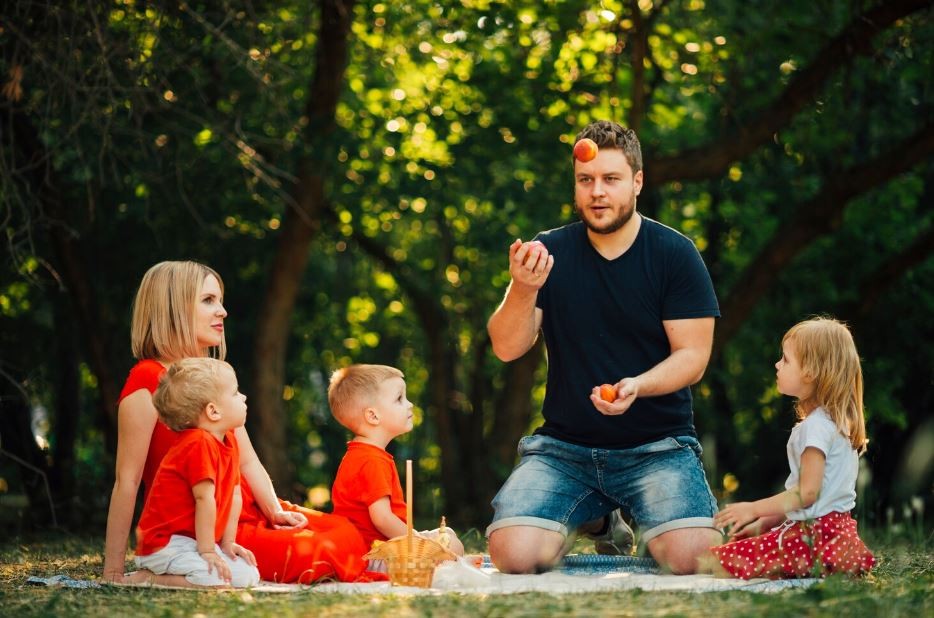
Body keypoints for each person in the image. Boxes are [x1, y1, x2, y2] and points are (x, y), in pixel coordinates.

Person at [486, 120, 721, 574]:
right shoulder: (547, 252)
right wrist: (522, 288)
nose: (597, 192)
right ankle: (598, 519)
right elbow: (507, 348)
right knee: (513, 556)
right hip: (565, 451)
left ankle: (651, 519)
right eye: (586, 180)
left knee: (692, 558)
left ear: (636, 182)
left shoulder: (675, 253)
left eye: (611, 179)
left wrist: (638, 385)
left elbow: (693, 357)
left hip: (659, 447)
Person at [102, 261, 379, 585]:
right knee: (318, 552)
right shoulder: (147, 380)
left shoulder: (215, 377)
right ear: (173, 308)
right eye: (208, 300)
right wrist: (113, 572)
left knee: (344, 531)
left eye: (220, 300)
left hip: (245, 511)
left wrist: (274, 511)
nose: (222, 312)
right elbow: (127, 482)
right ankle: (155, 575)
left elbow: (247, 461)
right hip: (199, 527)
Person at [707, 318, 875, 579]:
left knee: (712, 561)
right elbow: (822, 500)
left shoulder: (816, 428)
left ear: (810, 372)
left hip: (810, 541)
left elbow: (807, 493)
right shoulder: (836, 424)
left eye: (785, 359)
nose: (777, 365)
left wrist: (753, 509)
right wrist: (768, 522)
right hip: (838, 540)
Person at [134, 358, 259, 588]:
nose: (243, 397)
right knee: (214, 579)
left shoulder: (229, 440)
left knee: (249, 576)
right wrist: (208, 551)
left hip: (193, 543)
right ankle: (149, 577)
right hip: (166, 544)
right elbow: (204, 499)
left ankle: (194, 568)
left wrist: (228, 544)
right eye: (235, 393)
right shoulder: (198, 443)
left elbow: (235, 496)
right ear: (213, 411)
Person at [328, 364, 465, 556]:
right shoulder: (371, 460)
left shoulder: (363, 454)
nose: (409, 404)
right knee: (452, 547)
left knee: (448, 534)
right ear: (373, 416)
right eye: (399, 399)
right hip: (375, 552)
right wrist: (417, 542)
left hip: (381, 545)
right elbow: (382, 519)